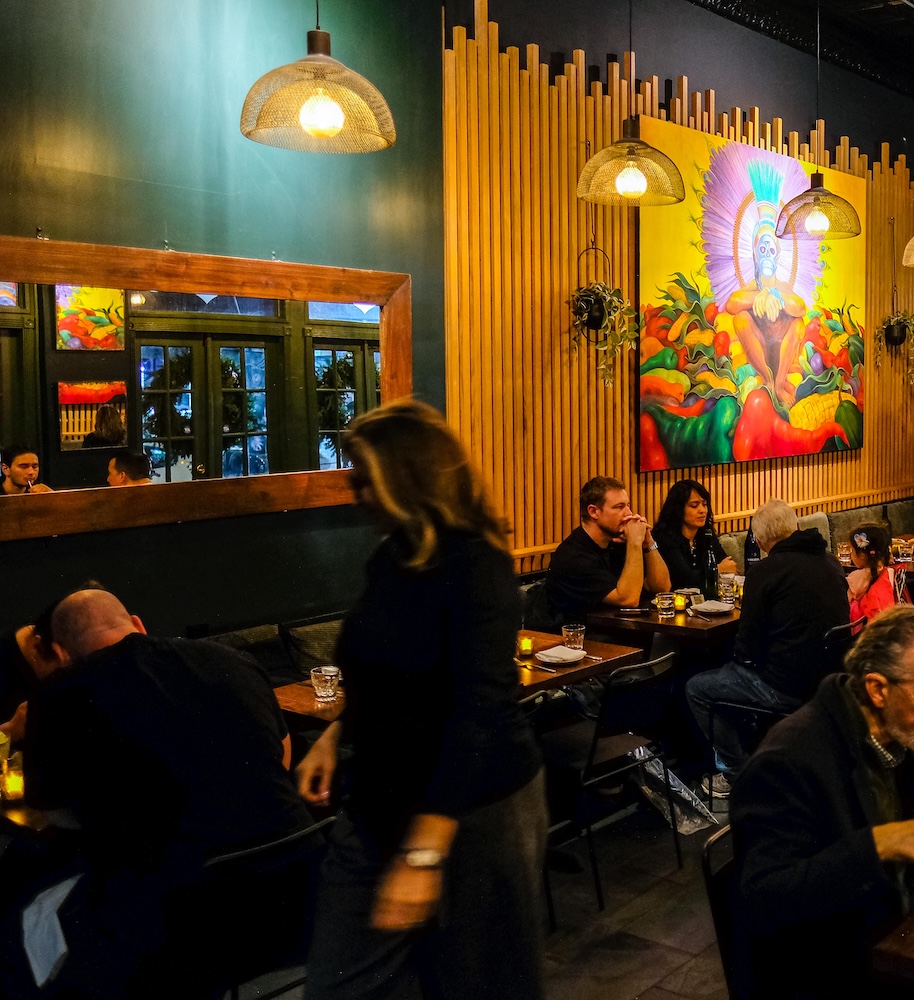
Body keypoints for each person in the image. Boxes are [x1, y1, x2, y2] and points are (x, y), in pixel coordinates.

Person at [296, 399, 546, 1000]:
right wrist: (337, 732)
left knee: (480, 982)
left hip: (477, 807)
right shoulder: (393, 556)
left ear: (404, 477)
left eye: (364, 480)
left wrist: (426, 851)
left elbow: (478, 711)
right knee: (339, 982)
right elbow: (382, 671)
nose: (356, 495)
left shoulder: (477, 565)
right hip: (380, 799)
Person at [18, 587, 310, 995]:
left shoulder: (58, 698)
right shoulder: (232, 660)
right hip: (296, 894)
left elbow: (56, 813)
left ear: (61, 653)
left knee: (30, 909)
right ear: (137, 624)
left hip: (180, 926)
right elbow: (281, 753)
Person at [730, 605, 914, 1000]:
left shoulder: (899, 730)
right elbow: (765, 897)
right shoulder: (789, 759)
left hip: (912, 938)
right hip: (839, 971)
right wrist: (878, 844)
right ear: (877, 688)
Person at [686, 499, 848, 794]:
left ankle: (737, 774)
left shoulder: (765, 572)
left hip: (785, 688)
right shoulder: (829, 560)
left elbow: (747, 651)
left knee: (697, 687)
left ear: (759, 542)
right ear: (797, 526)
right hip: (829, 680)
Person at [546, 476, 671, 618]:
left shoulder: (617, 542)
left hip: (623, 631)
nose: (629, 513)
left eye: (627, 505)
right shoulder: (573, 557)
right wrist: (634, 544)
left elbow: (662, 588)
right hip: (583, 635)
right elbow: (628, 599)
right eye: (619, 507)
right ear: (593, 512)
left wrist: (648, 543)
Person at [651, 478, 737, 592]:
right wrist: (717, 569)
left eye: (704, 504)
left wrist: (722, 569)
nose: (703, 510)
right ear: (678, 509)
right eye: (694, 505)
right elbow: (683, 580)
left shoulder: (706, 533)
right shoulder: (664, 537)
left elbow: (729, 566)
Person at [846, 522, 899, 627]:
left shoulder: (856, 578)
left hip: (865, 632)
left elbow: (842, 603)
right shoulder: (889, 571)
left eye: (852, 550)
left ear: (861, 555)